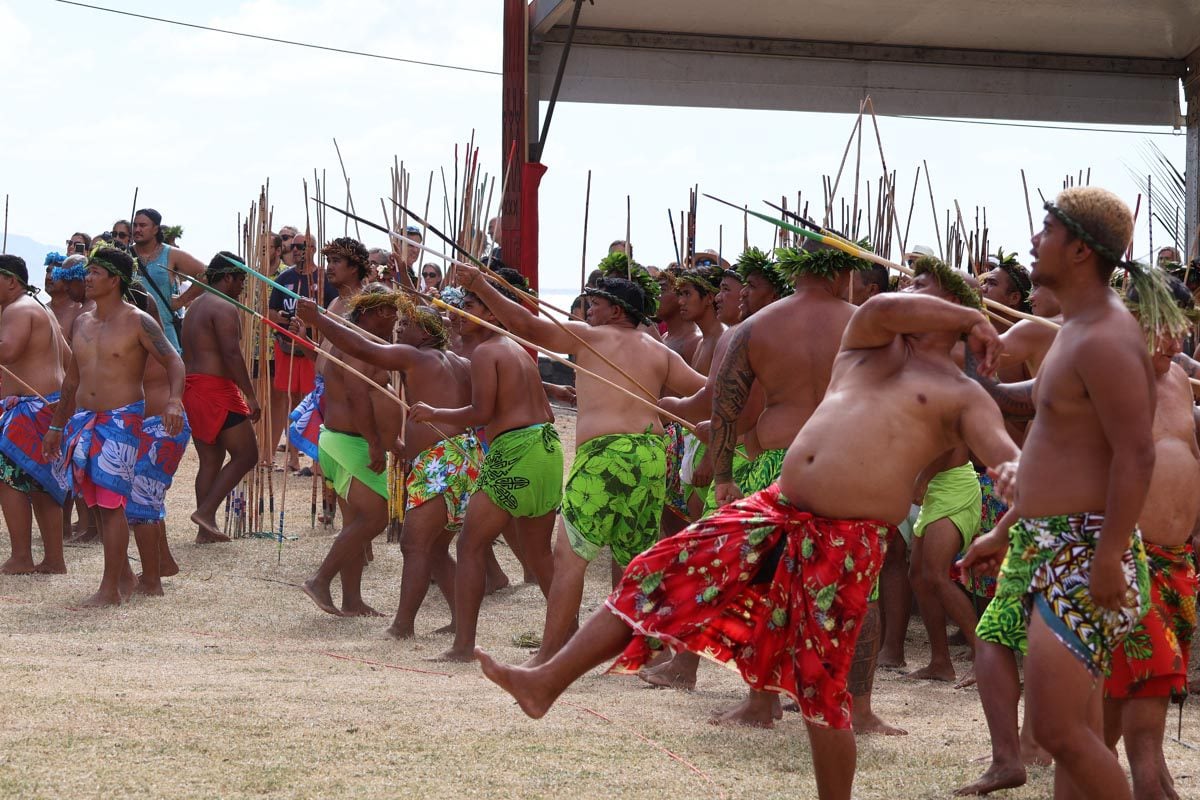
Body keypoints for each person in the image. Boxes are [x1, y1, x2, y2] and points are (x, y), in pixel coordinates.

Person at [476, 286, 1018, 800]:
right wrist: (968, 317)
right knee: (659, 568)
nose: (911, 300)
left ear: (947, 310)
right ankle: (546, 681)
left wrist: (1011, 484)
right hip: (777, 507)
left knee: (820, 687)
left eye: (925, 294)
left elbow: (1002, 454)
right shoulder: (866, 344)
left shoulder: (963, 394)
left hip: (848, 540)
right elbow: (881, 304)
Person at [960, 187, 1175, 800]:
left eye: (1046, 229)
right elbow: (1071, 444)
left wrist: (1108, 555)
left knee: (1057, 729)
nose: (1033, 239)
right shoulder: (1076, 329)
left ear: (1080, 250)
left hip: (1084, 551)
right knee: (1075, 731)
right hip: (1056, 542)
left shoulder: (1104, 335)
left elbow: (1136, 452)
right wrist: (1019, 491)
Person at [455, 263, 704, 664]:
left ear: (617, 312)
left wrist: (480, 284)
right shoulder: (660, 351)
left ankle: (550, 655)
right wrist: (684, 412)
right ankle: (635, 652)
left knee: (570, 557)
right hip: (650, 456)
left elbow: (528, 327)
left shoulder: (592, 336)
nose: (586, 310)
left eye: (594, 303)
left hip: (606, 456)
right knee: (631, 556)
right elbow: (708, 391)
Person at [704, 240, 861, 726]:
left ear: (797, 272)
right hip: (845, 462)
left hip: (777, 463)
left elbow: (723, 409)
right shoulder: (866, 323)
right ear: (840, 274)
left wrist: (724, 474)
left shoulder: (756, 326)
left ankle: (762, 700)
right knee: (851, 589)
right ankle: (859, 705)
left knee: (765, 582)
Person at [297, 290, 479, 626]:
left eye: (406, 323)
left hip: (439, 459)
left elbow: (362, 349)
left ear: (424, 334)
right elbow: (484, 406)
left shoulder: (416, 357)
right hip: (465, 456)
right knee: (434, 547)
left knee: (409, 541)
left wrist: (319, 320)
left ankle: (400, 625)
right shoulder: (463, 363)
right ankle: (357, 601)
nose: (399, 327)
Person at [407, 276, 564, 662]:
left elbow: (481, 413)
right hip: (547, 447)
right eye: (461, 306)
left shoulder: (487, 352)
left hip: (516, 450)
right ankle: (567, 635)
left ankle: (463, 645)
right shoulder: (516, 350)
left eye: (471, 307)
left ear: (492, 313)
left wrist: (433, 412)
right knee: (540, 553)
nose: (461, 314)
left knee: (470, 544)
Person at [41, 248, 186, 607]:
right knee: (93, 501)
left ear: (114, 279)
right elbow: (72, 380)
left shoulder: (138, 321)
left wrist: (173, 400)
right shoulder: (82, 322)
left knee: (111, 504)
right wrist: (57, 427)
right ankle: (123, 578)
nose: (86, 278)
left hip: (121, 420)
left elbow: (174, 360)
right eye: (87, 272)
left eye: (94, 272)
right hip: (84, 420)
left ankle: (110, 590)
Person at [1101, 277, 1199, 800]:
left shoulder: (1180, 382)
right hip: (1130, 567)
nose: (1176, 344)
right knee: (1144, 724)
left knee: (1115, 722)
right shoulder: (1104, 383)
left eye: (1183, 332)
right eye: (1164, 331)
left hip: (1180, 564)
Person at [902, 261, 987, 684]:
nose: (912, 289)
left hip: (953, 481)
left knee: (935, 574)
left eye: (922, 285)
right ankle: (940, 661)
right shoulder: (928, 349)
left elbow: (952, 436)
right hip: (934, 482)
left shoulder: (954, 354)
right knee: (920, 577)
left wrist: (920, 478)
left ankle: (985, 661)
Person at [295, 285, 403, 617]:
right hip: (351, 442)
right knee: (375, 517)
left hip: (335, 438)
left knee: (354, 522)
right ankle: (320, 580)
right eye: (393, 316)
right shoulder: (359, 346)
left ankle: (352, 600)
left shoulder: (339, 339)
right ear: (377, 314)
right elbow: (357, 395)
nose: (396, 324)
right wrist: (375, 443)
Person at [181, 252, 261, 544]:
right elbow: (231, 354)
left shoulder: (195, 306)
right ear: (227, 277)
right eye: (240, 279)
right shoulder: (224, 305)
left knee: (211, 459)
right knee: (247, 455)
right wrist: (250, 396)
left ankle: (206, 531)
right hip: (214, 390)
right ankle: (206, 512)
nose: (242, 286)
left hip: (192, 388)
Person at [0, 255, 70, 575]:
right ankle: (54, 558)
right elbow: (69, 359)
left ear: (11, 281)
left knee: (11, 481)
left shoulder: (17, 310)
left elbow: (8, 351)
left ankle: (21, 556)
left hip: (30, 409)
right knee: (42, 483)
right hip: (49, 407)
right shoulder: (43, 310)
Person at [264, 234, 335, 469]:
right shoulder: (284, 278)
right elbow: (271, 312)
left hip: (314, 348)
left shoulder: (325, 279)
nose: (295, 250)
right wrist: (285, 320)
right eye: (292, 246)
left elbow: (333, 313)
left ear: (313, 249)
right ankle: (293, 458)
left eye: (301, 246)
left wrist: (315, 323)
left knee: (315, 399)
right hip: (288, 347)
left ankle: (317, 459)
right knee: (293, 401)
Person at [130, 208, 209, 354]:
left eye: (142, 225)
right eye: (134, 225)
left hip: (164, 333)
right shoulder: (125, 255)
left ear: (155, 229)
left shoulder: (171, 254)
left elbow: (206, 275)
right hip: (129, 332)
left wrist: (181, 300)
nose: (137, 229)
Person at [654, 266, 700, 360]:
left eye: (661, 290)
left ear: (681, 295)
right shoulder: (665, 337)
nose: (655, 296)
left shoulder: (694, 341)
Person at [45, 253, 85, 340]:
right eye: (47, 271)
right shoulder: (41, 310)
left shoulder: (82, 313)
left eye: (55, 272)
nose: (49, 277)